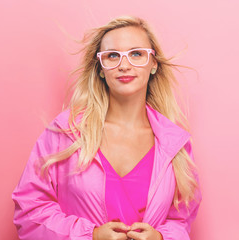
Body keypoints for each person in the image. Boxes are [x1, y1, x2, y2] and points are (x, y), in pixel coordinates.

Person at [12, 15, 202, 240]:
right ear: (101, 68)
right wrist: (91, 235)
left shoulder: (175, 143)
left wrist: (161, 238)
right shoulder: (66, 132)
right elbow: (30, 210)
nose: (124, 65)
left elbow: (180, 220)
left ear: (153, 64)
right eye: (112, 56)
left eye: (136, 54)